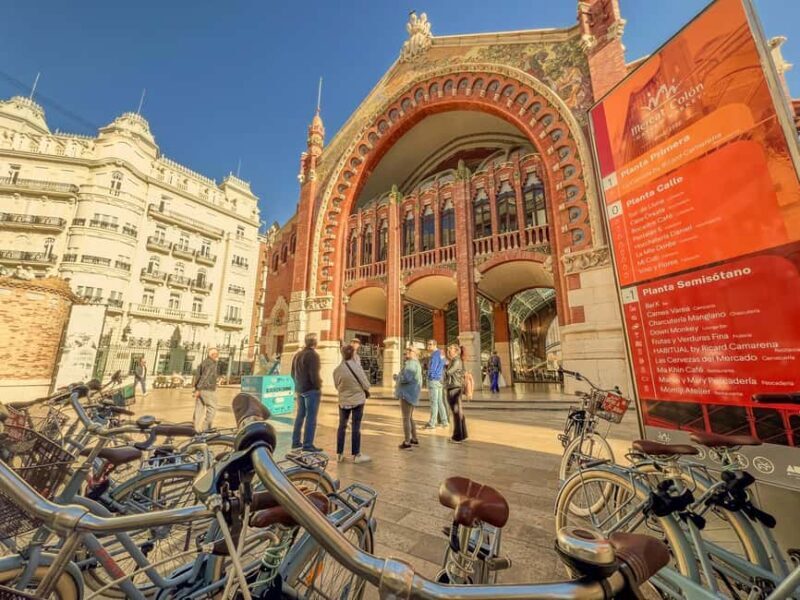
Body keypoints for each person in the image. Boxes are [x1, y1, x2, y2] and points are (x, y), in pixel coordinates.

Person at [332, 344, 371, 463]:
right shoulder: (357, 368)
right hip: (358, 401)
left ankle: (339, 453)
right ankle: (356, 454)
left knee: (342, 426)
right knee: (356, 427)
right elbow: (366, 385)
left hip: (343, 401)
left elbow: (336, 386)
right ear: (353, 354)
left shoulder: (337, 370)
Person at [291, 333, 323, 452]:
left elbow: (292, 373)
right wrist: (318, 386)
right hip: (311, 390)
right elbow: (314, 374)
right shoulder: (313, 355)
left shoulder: (297, 354)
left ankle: (295, 442)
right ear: (315, 342)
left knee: (300, 416)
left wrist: (297, 387)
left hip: (300, 390)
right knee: (311, 418)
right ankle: (308, 445)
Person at [395, 346, 422, 450]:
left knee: (406, 418)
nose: (407, 352)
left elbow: (407, 378)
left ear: (415, 353)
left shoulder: (411, 364)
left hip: (407, 394)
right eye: (407, 350)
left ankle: (407, 442)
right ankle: (414, 439)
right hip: (412, 393)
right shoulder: (417, 364)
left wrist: (397, 377)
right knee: (410, 417)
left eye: (410, 351)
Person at [422, 339, 448, 430]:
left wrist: (430, 376)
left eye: (430, 344)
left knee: (434, 402)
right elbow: (446, 362)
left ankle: (432, 423)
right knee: (440, 402)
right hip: (440, 380)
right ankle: (444, 422)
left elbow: (433, 368)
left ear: (434, 345)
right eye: (427, 344)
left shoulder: (435, 355)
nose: (428, 346)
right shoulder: (441, 353)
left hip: (434, 380)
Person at [445, 343, 468, 443]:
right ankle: (463, 435)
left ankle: (457, 437)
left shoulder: (456, 360)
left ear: (456, 351)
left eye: (450, 349)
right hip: (454, 387)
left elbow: (449, 372)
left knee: (456, 412)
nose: (448, 351)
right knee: (458, 413)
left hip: (454, 388)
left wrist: (443, 366)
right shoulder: (455, 360)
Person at [192, 348, 219, 432]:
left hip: (200, 388)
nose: (218, 356)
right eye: (217, 354)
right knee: (212, 408)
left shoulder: (204, 362)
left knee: (199, 408)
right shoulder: (211, 363)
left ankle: (196, 429)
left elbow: (198, 376)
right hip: (207, 389)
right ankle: (206, 429)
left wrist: (197, 389)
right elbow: (205, 376)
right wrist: (199, 389)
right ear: (212, 355)